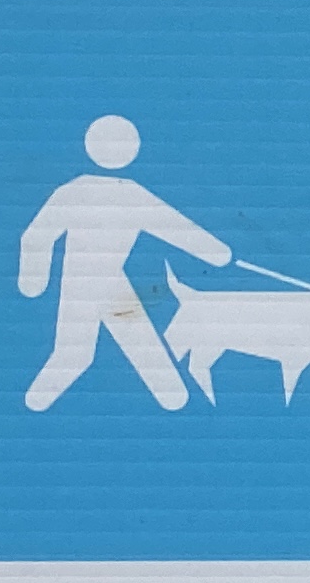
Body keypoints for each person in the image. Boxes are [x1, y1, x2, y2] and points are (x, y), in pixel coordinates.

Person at [16, 114, 224, 412]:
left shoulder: (80, 191)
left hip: (100, 283)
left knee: (85, 351)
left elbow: (35, 238)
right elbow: (178, 228)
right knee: (82, 353)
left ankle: (172, 396)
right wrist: (217, 255)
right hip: (89, 283)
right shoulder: (121, 194)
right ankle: (37, 402)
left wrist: (34, 281)